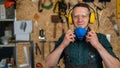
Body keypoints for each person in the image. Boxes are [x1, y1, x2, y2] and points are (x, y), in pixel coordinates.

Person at [45, 3, 120, 68]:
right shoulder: (65, 38)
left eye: (84, 16)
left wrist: (97, 45)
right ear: (71, 19)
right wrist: (63, 45)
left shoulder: (100, 38)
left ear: (90, 18)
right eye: (76, 16)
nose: (80, 20)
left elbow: (116, 66)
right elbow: (48, 64)